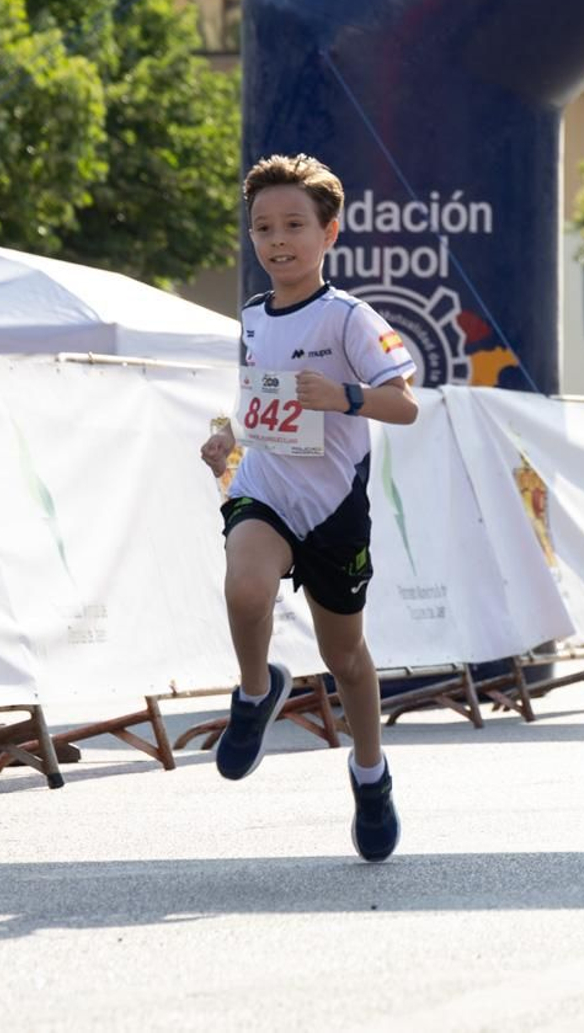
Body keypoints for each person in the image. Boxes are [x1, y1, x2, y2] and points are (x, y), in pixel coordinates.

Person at [198, 154, 418, 862]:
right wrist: (226, 442)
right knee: (245, 585)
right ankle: (256, 691)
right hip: (265, 490)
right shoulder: (253, 316)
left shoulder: (351, 318)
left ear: (330, 232)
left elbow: (405, 404)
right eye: (263, 226)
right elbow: (255, 405)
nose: (277, 239)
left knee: (345, 656)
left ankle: (370, 773)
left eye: (294, 224)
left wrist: (344, 396)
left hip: (333, 511)